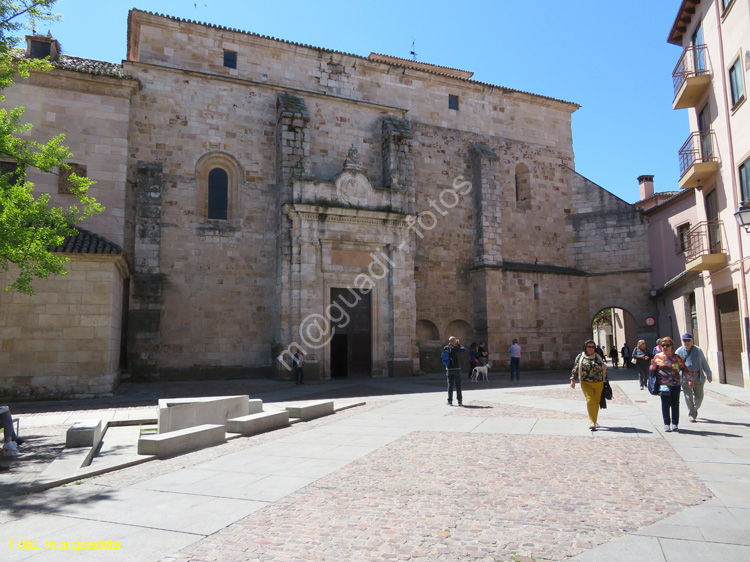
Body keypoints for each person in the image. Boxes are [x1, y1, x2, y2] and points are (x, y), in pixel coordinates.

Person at [650, 336, 693, 433]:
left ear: (672, 346)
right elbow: (652, 370)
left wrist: (690, 379)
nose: (665, 347)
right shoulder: (658, 357)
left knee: (675, 404)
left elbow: (684, 369)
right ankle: (666, 424)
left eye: (667, 345)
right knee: (665, 404)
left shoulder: (676, 358)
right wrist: (653, 366)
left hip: (676, 384)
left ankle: (675, 424)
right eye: (663, 345)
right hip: (664, 385)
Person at [570, 340, 608, 431]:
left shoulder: (598, 357)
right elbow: (576, 367)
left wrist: (605, 368)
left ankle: (594, 421)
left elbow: (603, 367)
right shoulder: (580, 357)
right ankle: (592, 422)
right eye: (589, 347)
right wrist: (573, 379)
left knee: (596, 401)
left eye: (593, 347)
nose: (591, 349)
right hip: (585, 382)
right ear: (585, 347)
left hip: (599, 382)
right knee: (590, 400)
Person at [675, 333, 712, 422]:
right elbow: (675, 364)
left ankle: (694, 410)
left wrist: (709, 374)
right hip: (685, 376)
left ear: (692, 341)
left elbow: (703, 362)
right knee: (688, 396)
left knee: (699, 396)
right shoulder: (679, 351)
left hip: (697, 375)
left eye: (688, 340)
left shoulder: (698, 350)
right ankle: (692, 414)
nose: (687, 342)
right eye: (685, 340)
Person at [443, 336, 466, 406]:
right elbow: (463, 349)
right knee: (458, 385)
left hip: (449, 368)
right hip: (456, 368)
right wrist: (458, 344)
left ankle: (450, 401)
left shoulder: (445, 348)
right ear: (454, 342)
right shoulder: (455, 348)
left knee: (450, 385)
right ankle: (459, 401)